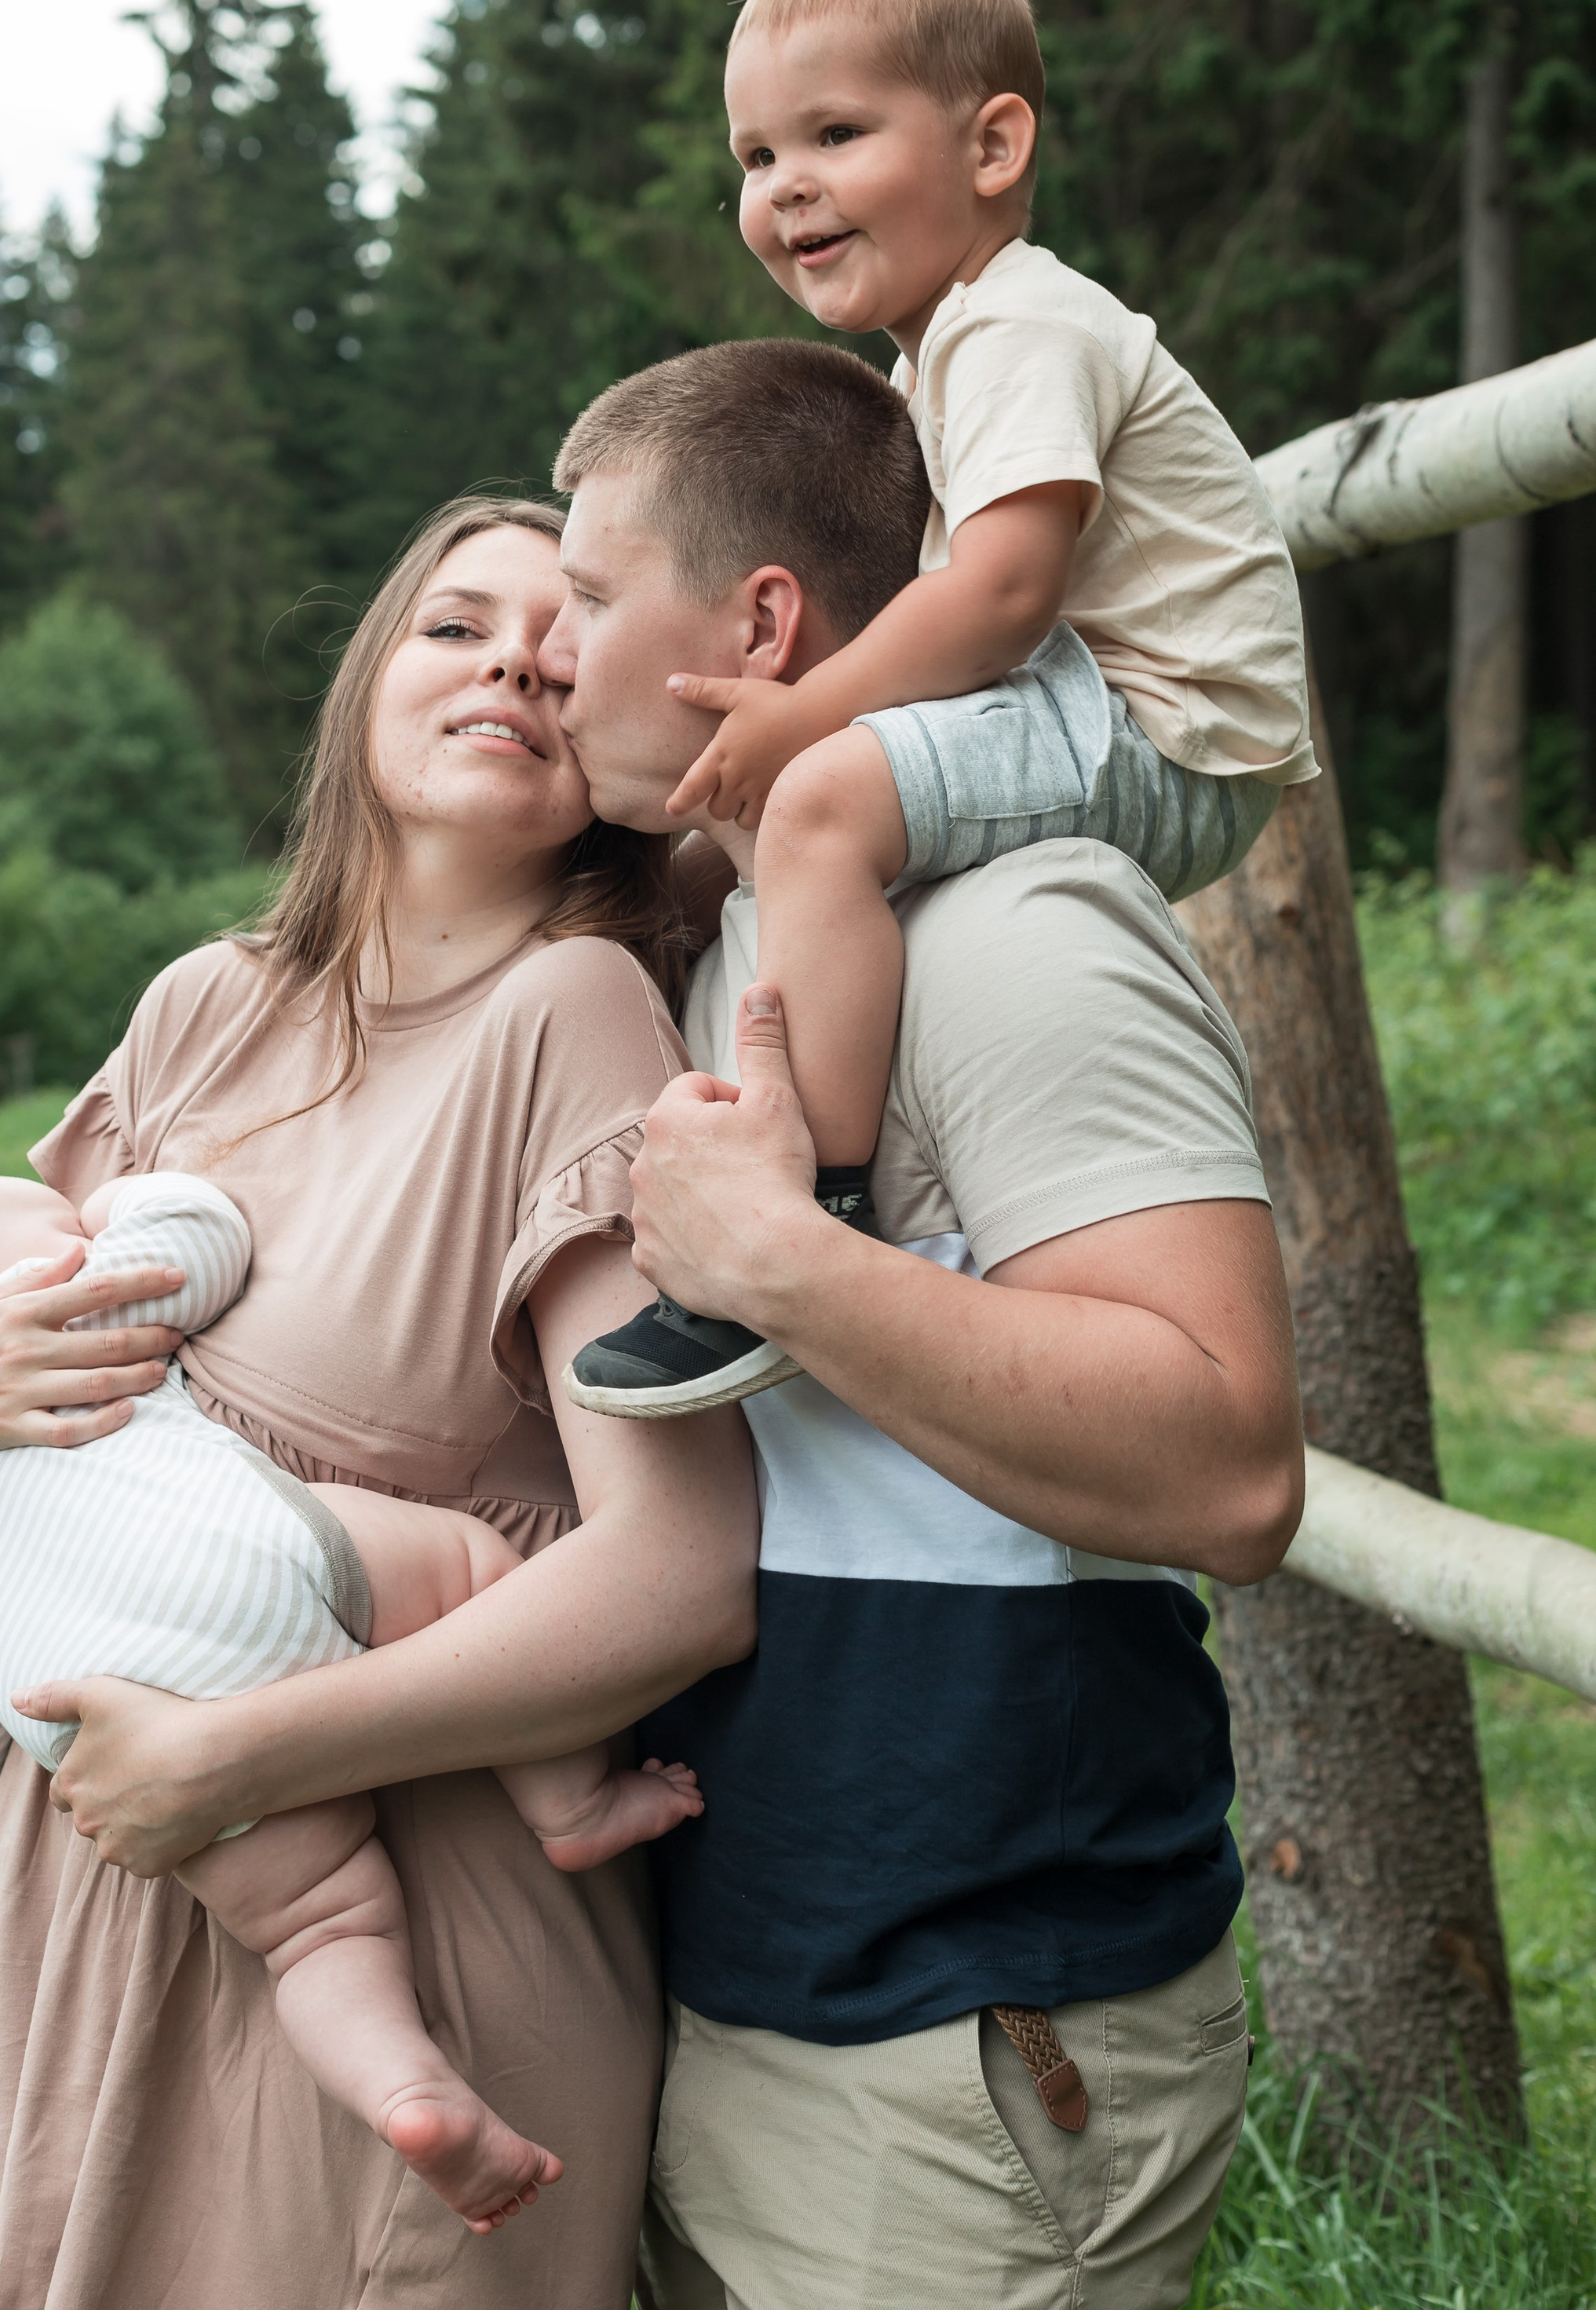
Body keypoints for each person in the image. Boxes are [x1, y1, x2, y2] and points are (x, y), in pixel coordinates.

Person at [0, 497, 758, 2310]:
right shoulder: (202, 1009)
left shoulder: (572, 1013)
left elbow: (678, 1576)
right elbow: (54, 1523)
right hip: (101, 1869)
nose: (510, 659)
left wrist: (238, 1756)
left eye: (558, 643)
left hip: (412, 1898)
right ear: (364, 686)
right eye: (452, 626)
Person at [533, 334, 1304, 2308]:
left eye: (590, 591)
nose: (548, 646)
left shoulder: (1014, 930)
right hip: (759, 1985)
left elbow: (1224, 1464)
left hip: (967, 2035)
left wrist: (779, 1259)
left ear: (760, 620)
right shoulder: (746, 953)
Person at [571, 0, 1317, 1413]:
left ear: (993, 148)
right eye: (756, 157)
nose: (787, 189)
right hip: (1106, 700)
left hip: (1166, 722)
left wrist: (803, 723)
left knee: (826, 806)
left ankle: (811, 1205)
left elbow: (1002, 592)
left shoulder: (1020, 328)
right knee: (793, 835)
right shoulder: (950, 350)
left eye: (835, 134)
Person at [0, 1164, 700, 2234]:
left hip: (102, 1717)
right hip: (240, 1576)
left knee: (321, 1936)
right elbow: (201, 1234)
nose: (79, 1222)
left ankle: (408, 2095)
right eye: (57, 1220)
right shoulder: (59, 1312)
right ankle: (572, 1805)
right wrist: (114, 1213)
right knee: (471, 1569)